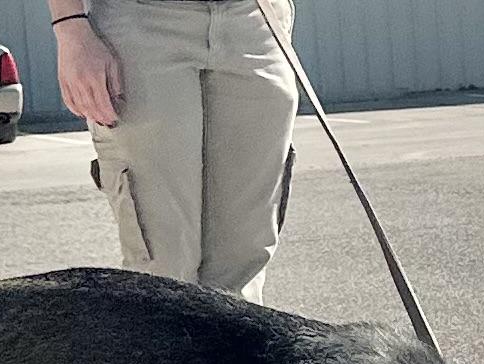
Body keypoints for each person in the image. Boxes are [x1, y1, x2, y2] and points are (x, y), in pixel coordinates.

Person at [47, 0, 298, 303]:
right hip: (143, 19)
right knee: (164, 272)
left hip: (253, 20)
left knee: (241, 276)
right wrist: (70, 26)